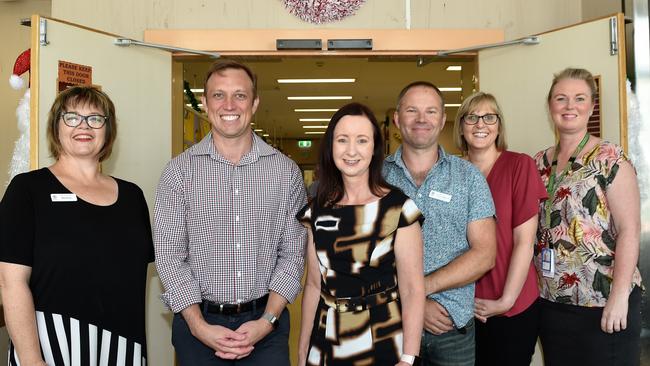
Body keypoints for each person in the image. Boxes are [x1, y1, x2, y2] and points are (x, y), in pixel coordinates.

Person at [154, 60, 307, 366]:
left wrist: (267, 321)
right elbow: (169, 255)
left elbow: (293, 253)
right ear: (205, 103)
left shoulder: (286, 172)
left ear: (255, 103)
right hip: (199, 324)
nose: (229, 105)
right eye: (218, 95)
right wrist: (199, 327)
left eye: (239, 95)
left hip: (267, 326)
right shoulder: (178, 173)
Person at [0, 86, 154, 365]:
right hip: (50, 345)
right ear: (56, 127)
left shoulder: (133, 196)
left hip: (122, 347)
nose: (84, 126)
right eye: (72, 117)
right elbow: (11, 283)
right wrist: (32, 359)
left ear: (108, 131)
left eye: (96, 118)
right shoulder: (27, 190)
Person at [297, 102, 425, 366]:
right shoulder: (316, 211)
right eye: (342, 140)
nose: (351, 150)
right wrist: (302, 353)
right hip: (326, 342)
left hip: (384, 340)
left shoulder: (399, 208)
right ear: (331, 146)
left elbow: (412, 289)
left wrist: (409, 357)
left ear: (374, 148)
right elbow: (312, 285)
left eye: (362, 140)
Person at [534, 68, 643, 365]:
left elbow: (630, 230)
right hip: (553, 302)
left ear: (592, 107)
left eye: (579, 98)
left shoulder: (609, 158)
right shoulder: (538, 163)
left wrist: (619, 297)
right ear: (550, 106)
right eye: (561, 98)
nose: (570, 106)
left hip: (603, 302)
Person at [383, 81, 497, 366]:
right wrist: (413, 302)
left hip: (451, 326)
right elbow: (361, 256)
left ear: (443, 119)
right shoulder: (376, 178)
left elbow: (485, 254)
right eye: (412, 110)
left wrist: (420, 291)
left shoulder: (469, 177)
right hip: (388, 325)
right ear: (397, 118)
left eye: (431, 111)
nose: (421, 119)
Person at [452, 92, 547, 365]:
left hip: (512, 305)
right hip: (462, 305)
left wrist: (505, 300)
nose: (480, 124)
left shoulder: (520, 166)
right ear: (461, 126)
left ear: (499, 125)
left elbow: (524, 243)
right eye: (472, 117)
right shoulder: (452, 172)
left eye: (489, 117)